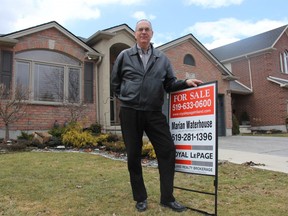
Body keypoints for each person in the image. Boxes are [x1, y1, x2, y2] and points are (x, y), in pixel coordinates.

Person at [111, 19, 203, 212]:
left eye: (147, 29)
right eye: (140, 29)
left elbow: (169, 83)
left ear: (152, 34)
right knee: (134, 155)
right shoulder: (124, 55)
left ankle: (167, 198)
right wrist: (126, 98)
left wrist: (185, 82)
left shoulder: (162, 58)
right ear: (135, 34)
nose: (143, 32)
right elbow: (115, 83)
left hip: (154, 112)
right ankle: (140, 197)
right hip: (130, 112)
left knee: (168, 150)